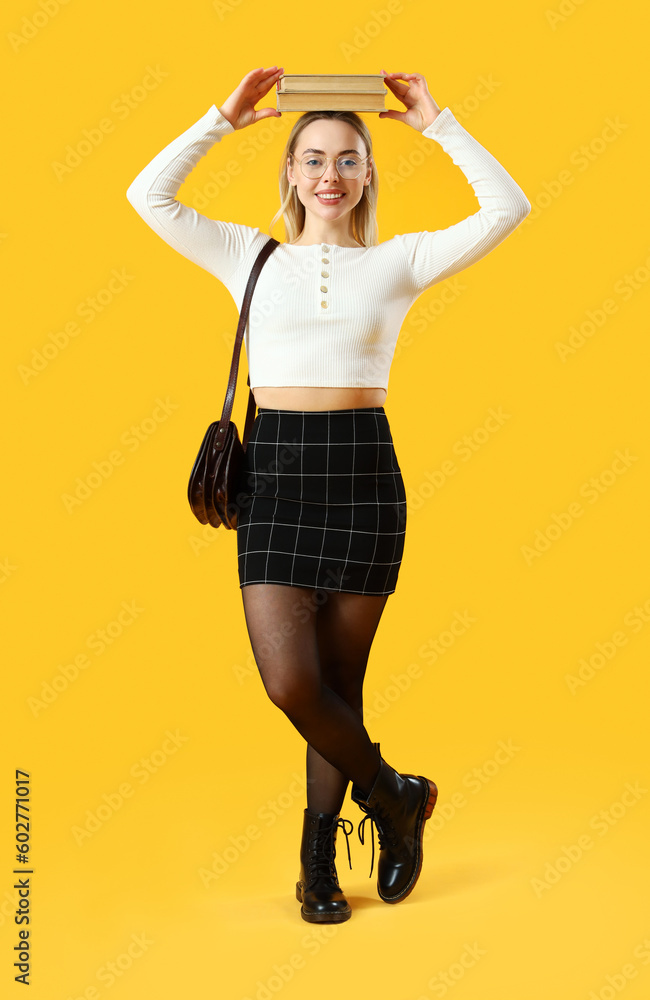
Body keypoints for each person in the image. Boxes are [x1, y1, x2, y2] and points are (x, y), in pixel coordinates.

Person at [126, 65, 531, 923]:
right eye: (313, 159)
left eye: (348, 160)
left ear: (368, 173)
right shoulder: (247, 254)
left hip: (362, 478)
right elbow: (148, 197)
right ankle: (393, 794)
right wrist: (221, 118)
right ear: (291, 173)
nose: (330, 176)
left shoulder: (398, 261)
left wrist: (437, 121)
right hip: (274, 475)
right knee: (291, 683)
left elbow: (508, 209)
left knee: (339, 689)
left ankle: (316, 867)